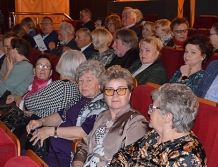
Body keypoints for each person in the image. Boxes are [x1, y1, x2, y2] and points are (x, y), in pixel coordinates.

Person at [26, 60, 108, 167]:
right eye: (81, 80)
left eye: (89, 80)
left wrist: (52, 131)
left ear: (100, 83)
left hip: (66, 156)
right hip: (49, 148)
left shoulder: (101, 105)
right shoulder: (79, 98)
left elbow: (84, 132)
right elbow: (60, 115)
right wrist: (41, 121)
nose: (83, 85)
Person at [110, 83, 207, 166]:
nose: (148, 112)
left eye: (153, 108)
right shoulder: (155, 135)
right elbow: (123, 155)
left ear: (167, 117)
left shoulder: (186, 155)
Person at [73, 65, 149, 167]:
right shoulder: (103, 115)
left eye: (121, 90)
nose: (115, 95)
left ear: (129, 94)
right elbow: (84, 145)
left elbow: (131, 160)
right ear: (104, 94)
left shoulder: (136, 121)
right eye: (109, 90)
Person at [24, 50, 86, 118]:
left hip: (41, 125)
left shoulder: (61, 86)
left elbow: (29, 103)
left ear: (62, 64)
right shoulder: (79, 89)